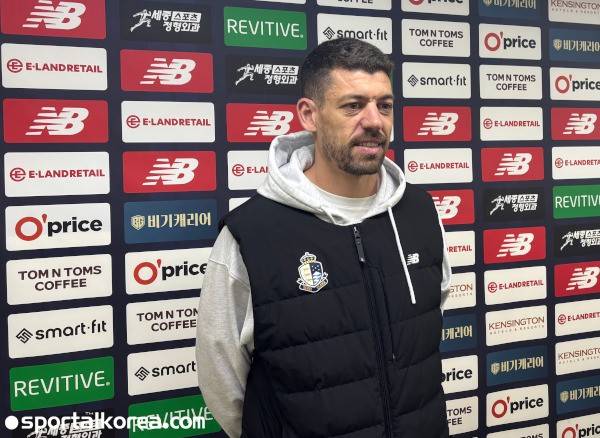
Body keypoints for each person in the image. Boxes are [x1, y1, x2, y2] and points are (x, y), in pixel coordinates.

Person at [196, 38, 452, 438]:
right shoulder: (253, 233)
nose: (374, 121)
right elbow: (223, 379)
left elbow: (425, 333)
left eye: (385, 106)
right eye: (353, 105)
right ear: (309, 114)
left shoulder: (419, 212)